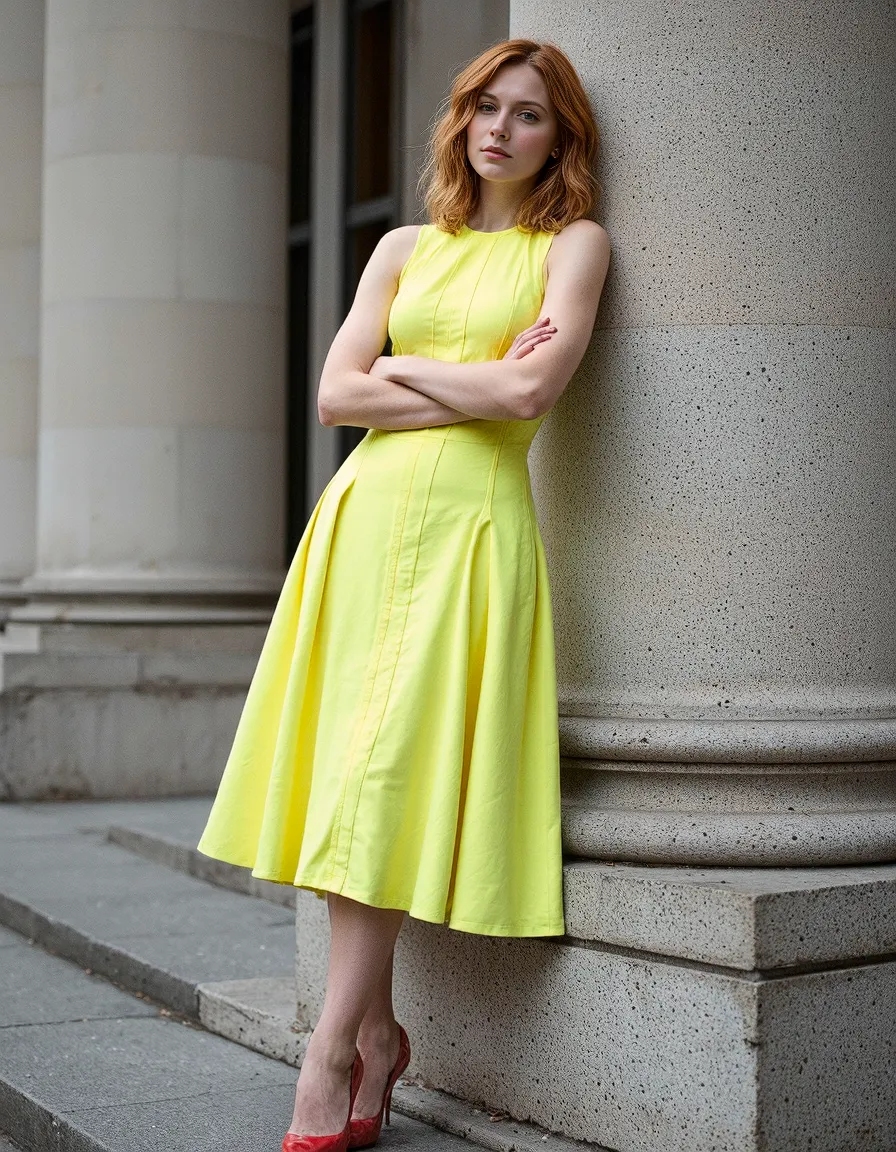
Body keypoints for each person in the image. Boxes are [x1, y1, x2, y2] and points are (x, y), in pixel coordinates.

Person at [196, 36, 610, 1152]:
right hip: (364, 525)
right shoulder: (399, 247)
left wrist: (405, 371)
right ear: (460, 118)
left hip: (474, 534)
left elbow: (531, 387)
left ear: (557, 138)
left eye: (527, 115)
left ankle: (331, 1054)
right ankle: (375, 1030)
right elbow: (335, 395)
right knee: (351, 772)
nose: (499, 128)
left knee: (383, 773)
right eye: (485, 104)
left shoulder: (572, 246)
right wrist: (458, 382)